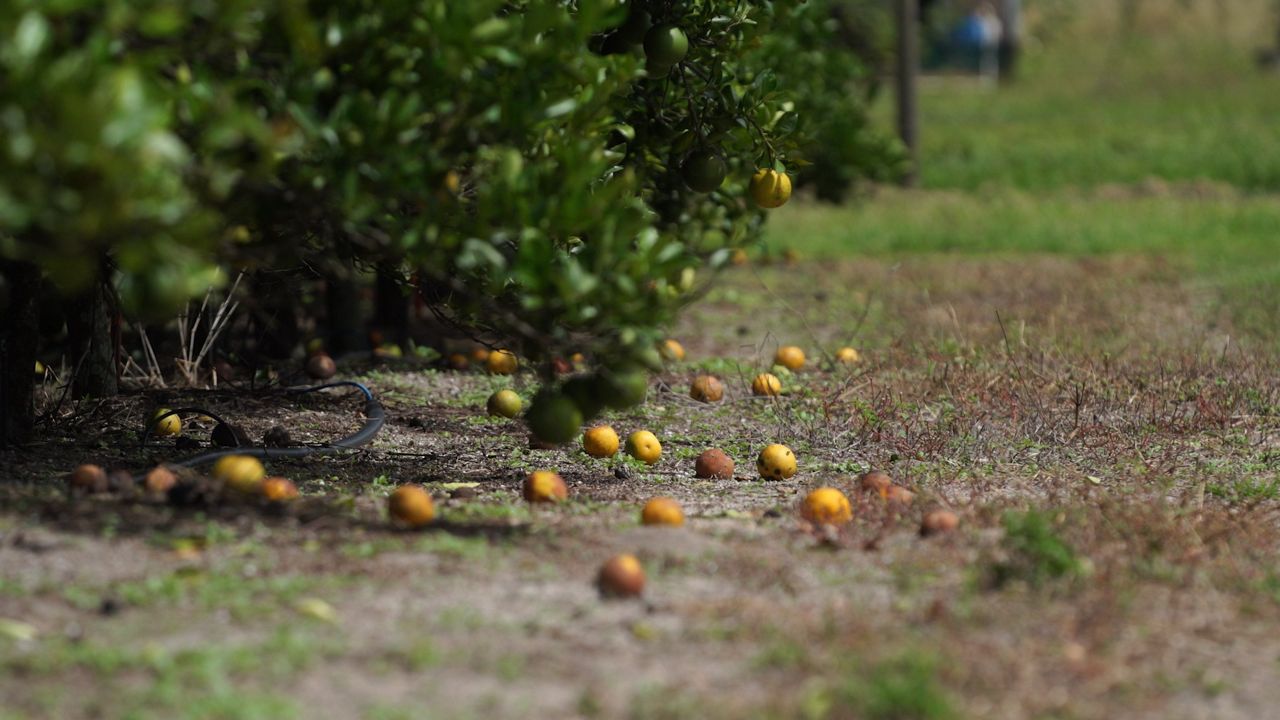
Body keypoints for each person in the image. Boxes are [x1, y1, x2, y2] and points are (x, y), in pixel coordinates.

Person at [996, 0, 1023, 81]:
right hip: (1009, 33)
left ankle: (1006, 77)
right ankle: (1005, 77)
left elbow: (1007, 16)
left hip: (1009, 34)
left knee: (1008, 57)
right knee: (1007, 58)